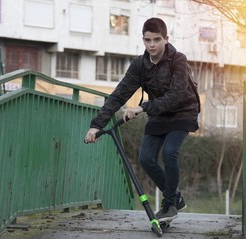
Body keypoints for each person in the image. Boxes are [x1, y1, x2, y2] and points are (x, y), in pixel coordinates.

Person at [85, 17, 199, 222]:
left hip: (183, 111)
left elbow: (177, 94)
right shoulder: (140, 64)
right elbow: (119, 94)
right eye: (148, 40)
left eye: (157, 40)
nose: (152, 45)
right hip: (158, 113)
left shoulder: (178, 59)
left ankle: (169, 205)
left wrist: (143, 107)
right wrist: (96, 125)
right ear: (143, 40)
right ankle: (176, 198)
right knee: (145, 159)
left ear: (166, 39)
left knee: (170, 152)